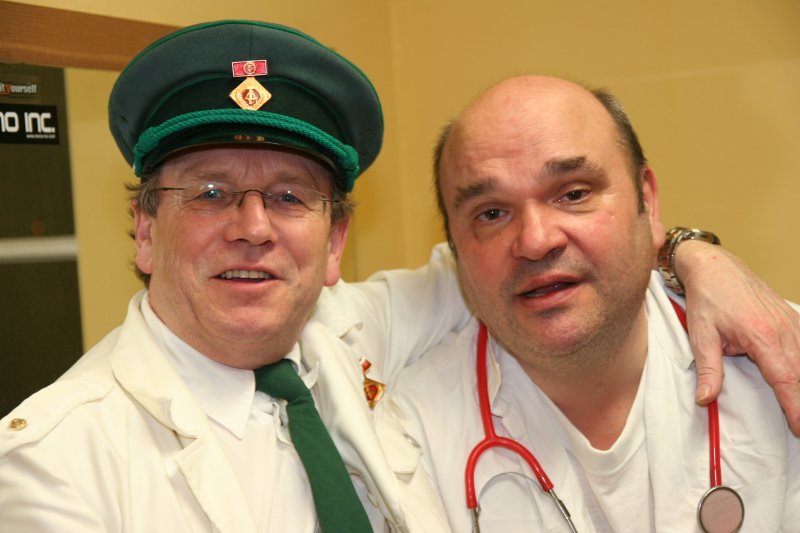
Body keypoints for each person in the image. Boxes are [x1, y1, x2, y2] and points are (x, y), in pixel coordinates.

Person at [0, 20, 796, 533]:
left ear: (336, 239)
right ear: (145, 226)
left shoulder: (350, 333)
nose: (254, 227)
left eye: (290, 196)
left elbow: (524, 259)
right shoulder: (51, 463)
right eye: (209, 192)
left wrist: (686, 251)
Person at [374, 75, 800, 532]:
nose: (536, 241)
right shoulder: (405, 440)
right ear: (454, 247)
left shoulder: (781, 359)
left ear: (647, 201)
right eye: (492, 213)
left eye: (574, 194)